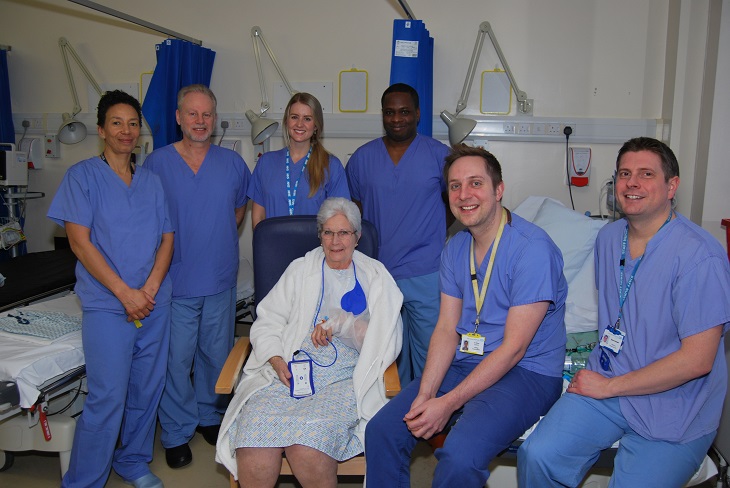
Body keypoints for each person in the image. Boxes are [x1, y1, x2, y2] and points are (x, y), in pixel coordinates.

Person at [518, 137, 730, 488]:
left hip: (676, 404)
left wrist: (611, 387)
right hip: (610, 378)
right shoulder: (608, 237)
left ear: (671, 186)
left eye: (646, 174)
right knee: (538, 456)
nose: (632, 183)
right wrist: (604, 380)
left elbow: (698, 361)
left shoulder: (699, 257)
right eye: (624, 174)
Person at [365, 144, 567, 487]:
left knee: (459, 455)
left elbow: (515, 348)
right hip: (468, 360)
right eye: (455, 186)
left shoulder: (532, 250)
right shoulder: (455, 247)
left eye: (475, 183)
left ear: (498, 189)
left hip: (526, 372)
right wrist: (426, 394)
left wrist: (448, 403)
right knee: (382, 432)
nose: (464, 194)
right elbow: (446, 328)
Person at [215, 197, 403, 488]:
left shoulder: (375, 277)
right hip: (288, 372)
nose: (335, 241)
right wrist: (276, 360)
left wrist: (344, 325)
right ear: (319, 235)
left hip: (343, 379)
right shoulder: (300, 270)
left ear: (357, 236)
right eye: (328, 232)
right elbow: (268, 321)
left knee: (307, 449)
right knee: (254, 442)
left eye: (344, 233)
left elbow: (385, 338)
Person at [48, 90, 173, 488]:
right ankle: (84, 480)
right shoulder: (82, 177)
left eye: (133, 123)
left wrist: (149, 288)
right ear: (101, 129)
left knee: (147, 390)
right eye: (116, 122)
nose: (126, 130)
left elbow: (167, 239)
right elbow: (79, 242)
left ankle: (133, 461)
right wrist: (125, 293)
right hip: (108, 304)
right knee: (107, 398)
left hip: (153, 302)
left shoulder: (152, 182)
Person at [144, 84, 251, 469]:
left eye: (207, 114)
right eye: (192, 113)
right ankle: (175, 431)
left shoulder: (233, 163)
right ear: (178, 118)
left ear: (215, 118)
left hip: (219, 276)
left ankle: (210, 415)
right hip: (175, 279)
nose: (200, 121)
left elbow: (237, 212)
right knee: (176, 359)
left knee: (217, 353)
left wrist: (212, 234)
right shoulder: (156, 164)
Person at [346, 82, 450, 385]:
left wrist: (428, 228)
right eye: (390, 112)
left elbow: (454, 204)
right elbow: (355, 212)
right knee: (386, 353)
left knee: (432, 354)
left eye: (404, 112)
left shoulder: (439, 156)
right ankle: (394, 420)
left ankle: (431, 422)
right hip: (378, 271)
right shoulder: (363, 159)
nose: (396, 118)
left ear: (417, 114)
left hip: (425, 271)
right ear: (382, 115)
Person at [248, 92, 350, 229]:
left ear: (316, 126)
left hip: (316, 249)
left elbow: (339, 219)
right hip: (273, 247)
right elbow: (258, 217)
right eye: (294, 117)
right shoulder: (266, 163)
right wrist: (264, 246)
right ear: (286, 121)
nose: (300, 124)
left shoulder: (331, 166)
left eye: (307, 119)